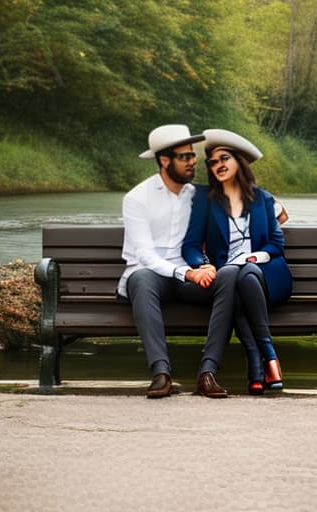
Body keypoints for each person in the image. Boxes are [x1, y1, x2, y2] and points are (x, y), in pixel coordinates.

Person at [117, 124, 239, 399]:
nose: (193, 161)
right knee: (141, 276)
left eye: (192, 155)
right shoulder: (137, 198)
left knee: (229, 276)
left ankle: (207, 374)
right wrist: (186, 273)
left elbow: (243, 199)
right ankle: (161, 374)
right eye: (185, 157)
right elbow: (145, 255)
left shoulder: (200, 195)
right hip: (151, 279)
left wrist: (274, 208)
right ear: (164, 161)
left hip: (188, 279)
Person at [182, 129, 293, 395]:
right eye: (212, 161)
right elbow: (191, 246)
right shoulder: (206, 203)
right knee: (236, 278)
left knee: (246, 273)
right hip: (230, 278)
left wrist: (250, 258)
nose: (217, 165)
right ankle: (263, 365)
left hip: (268, 275)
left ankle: (262, 356)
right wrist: (202, 264)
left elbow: (276, 246)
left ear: (238, 162)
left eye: (224, 158)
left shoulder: (263, 199)